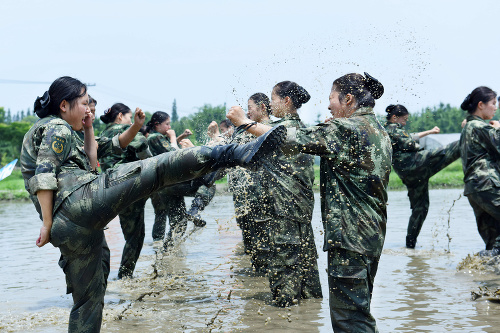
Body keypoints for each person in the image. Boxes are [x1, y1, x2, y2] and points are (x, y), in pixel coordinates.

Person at [20, 76, 286, 333]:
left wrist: (89, 127)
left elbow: (91, 164)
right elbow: (45, 174)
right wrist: (46, 223)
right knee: (157, 171)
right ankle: (233, 152)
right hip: (76, 204)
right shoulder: (57, 126)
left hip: (70, 228)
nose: (89, 109)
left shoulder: (68, 131)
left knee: (88, 302)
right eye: (84, 103)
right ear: (63, 105)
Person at [228, 73, 391, 332]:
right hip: (369, 234)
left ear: (348, 99)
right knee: (357, 312)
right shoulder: (377, 129)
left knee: (350, 321)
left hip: (350, 236)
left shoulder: (346, 129)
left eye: (332, 99)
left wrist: (244, 123)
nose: (328, 106)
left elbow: (286, 139)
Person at [230, 81, 322, 307]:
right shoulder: (301, 129)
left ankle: (285, 323)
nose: (270, 104)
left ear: (286, 101)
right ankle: (309, 321)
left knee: (284, 280)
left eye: (273, 99)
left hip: (284, 213)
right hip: (298, 212)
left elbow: (275, 134)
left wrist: (243, 122)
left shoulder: (287, 131)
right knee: (307, 276)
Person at [384, 104, 461, 248]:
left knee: (421, 207)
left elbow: (410, 137)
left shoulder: (387, 130)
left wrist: (430, 131)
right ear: (394, 118)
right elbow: (410, 143)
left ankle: (410, 245)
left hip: (408, 174)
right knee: (453, 147)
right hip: (415, 164)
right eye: (404, 120)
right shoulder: (393, 128)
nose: (405, 123)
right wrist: (418, 146)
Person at [145, 111, 216, 247]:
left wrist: (177, 138)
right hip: (172, 184)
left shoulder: (156, 138)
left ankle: (168, 257)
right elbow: (174, 155)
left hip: (166, 187)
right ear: (157, 124)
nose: (169, 127)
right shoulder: (155, 137)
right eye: (167, 124)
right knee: (210, 184)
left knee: (178, 224)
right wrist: (172, 137)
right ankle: (195, 210)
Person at [99, 103, 152, 279]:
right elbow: (143, 147)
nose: (131, 122)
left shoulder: (102, 133)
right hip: (128, 186)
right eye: (129, 118)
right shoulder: (125, 130)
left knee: (125, 233)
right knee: (135, 236)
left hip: (107, 188)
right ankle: (125, 277)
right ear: (120, 116)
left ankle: (111, 277)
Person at [227, 93, 272, 273]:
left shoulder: (270, 128)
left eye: (250, 107)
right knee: (252, 245)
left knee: (265, 245)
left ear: (262, 107)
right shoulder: (245, 130)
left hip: (264, 198)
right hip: (246, 197)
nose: (247, 111)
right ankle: (256, 279)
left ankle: (264, 280)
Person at [459, 86, 500, 255]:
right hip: (488, 185)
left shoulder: (468, 127)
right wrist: (497, 128)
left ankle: (487, 278)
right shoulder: (480, 127)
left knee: (494, 239)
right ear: (481, 105)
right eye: (493, 103)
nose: (496, 107)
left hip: (474, 190)